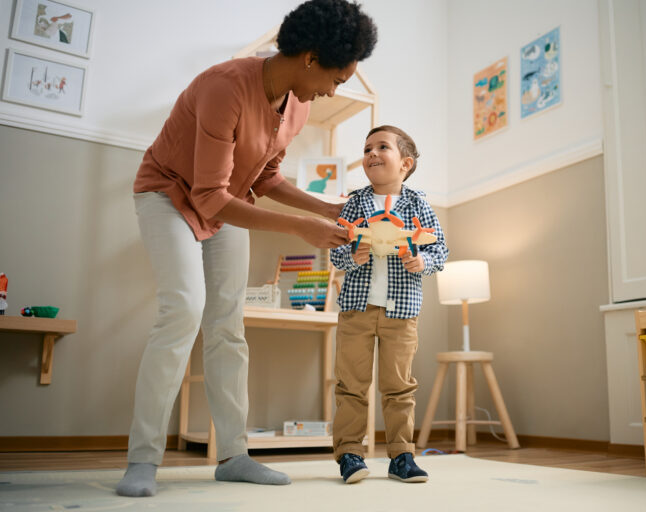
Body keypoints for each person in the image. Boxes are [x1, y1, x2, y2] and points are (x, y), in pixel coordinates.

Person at [116, 0, 377, 497]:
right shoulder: (224, 86)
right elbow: (207, 196)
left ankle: (234, 455)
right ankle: (142, 460)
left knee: (227, 324)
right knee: (183, 310)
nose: (330, 91)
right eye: (335, 80)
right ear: (309, 58)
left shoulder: (297, 104)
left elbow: (267, 175)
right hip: (168, 193)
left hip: (226, 199)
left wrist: (323, 209)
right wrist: (300, 228)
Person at [330, 126, 449, 483]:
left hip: (402, 312)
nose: (371, 153)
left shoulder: (418, 204)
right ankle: (350, 453)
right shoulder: (354, 203)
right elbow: (336, 253)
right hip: (356, 308)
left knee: (400, 387)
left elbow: (439, 250)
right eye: (367, 149)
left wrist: (422, 262)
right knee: (351, 384)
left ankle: (401, 456)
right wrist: (354, 254)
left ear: (405, 163)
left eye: (382, 147)